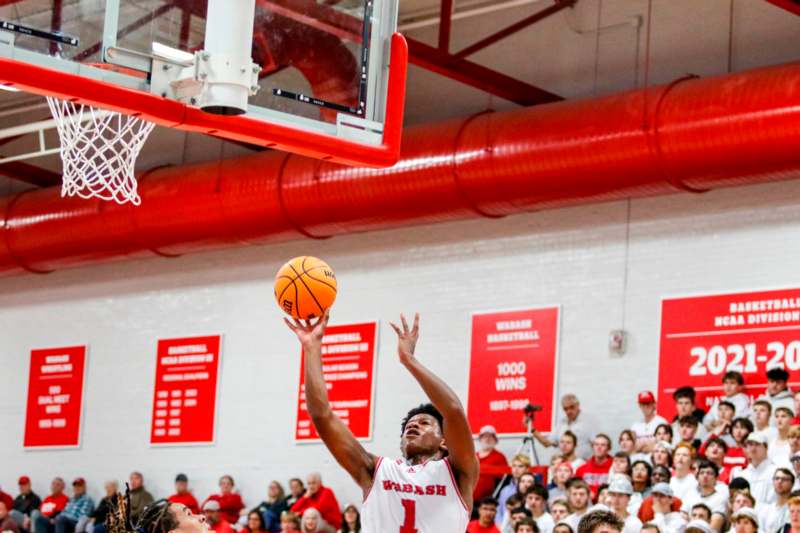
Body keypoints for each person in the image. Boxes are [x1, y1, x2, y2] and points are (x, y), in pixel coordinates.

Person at [284, 312, 479, 533]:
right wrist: (312, 348)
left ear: (445, 441)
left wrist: (409, 360)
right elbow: (321, 416)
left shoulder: (458, 472)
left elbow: (453, 411)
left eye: (424, 423)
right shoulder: (377, 470)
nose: (412, 426)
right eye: (407, 427)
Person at [533, 394, 596, 459]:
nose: (569, 411)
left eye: (571, 407)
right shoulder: (561, 423)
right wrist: (532, 429)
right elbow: (547, 443)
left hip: (583, 464)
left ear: (578, 405)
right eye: (566, 409)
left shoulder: (588, 421)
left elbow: (598, 444)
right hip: (564, 465)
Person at [679, 461, 727, 532]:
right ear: (697, 477)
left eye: (709, 473)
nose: (705, 476)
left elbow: (714, 528)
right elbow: (682, 520)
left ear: (716, 478)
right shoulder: (690, 495)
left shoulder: (720, 498)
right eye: (702, 473)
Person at [734, 432, 778, 504]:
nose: (753, 449)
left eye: (757, 444)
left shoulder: (775, 472)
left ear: (766, 447)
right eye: (750, 445)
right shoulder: (742, 475)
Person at [475, 426, 510, 502]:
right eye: (484, 436)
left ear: (495, 440)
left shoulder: (500, 457)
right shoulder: (473, 456)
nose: (487, 439)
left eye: (490, 436)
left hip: (489, 501)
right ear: (480, 439)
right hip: (470, 499)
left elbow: (504, 480)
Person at [497, 455, 533, 524]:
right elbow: (499, 510)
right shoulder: (505, 490)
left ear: (527, 469)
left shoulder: (532, 488)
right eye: (514, 466)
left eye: (520, 466)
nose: (516, 469)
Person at [757, 468, 794, 533]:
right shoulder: (765, 510)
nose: (779, 481)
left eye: (784, 479)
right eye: (777, 478)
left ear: (792, 484)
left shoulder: (795, 509)